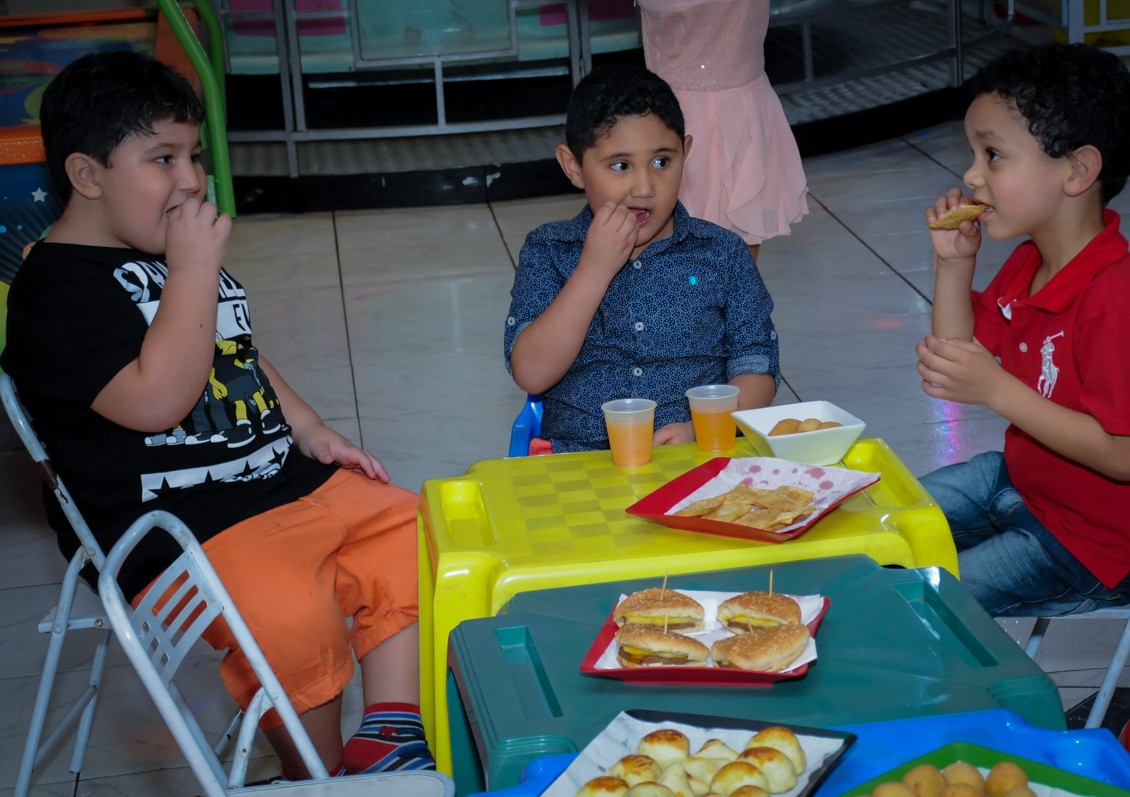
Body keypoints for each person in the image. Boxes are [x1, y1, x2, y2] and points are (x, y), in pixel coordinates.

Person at [1, 52, 432, 779]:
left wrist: (309, 425)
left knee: (418, 532)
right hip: (187, 528)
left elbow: (240, 354)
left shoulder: (166, 250)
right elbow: (156, 400)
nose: (193, 180)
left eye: (194, 155)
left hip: (281, 482)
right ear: (87, 174)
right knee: (294, 620)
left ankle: (390, 735)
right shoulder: (56, 291)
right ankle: (317, 779)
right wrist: (195, 269)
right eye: (162, 158)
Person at [916, 43, 1130, 617]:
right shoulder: (1030, 262)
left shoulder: (1115, 300)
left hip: (1095, 543)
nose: (970, 175)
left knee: (926, 605)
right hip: (1026, 483)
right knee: (886, 518)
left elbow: (1124, 456)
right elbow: (954, 352)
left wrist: (996, 390)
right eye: (973, 153)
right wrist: (954, 263)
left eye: (992, 155)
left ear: (1077, 171)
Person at [505, 64, 780, 453]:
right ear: (574, 167)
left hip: (693, 453)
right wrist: (594, 269)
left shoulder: (722, 253)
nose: (645, 186)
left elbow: (757, 368)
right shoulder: (550, 251)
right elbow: (532, 373)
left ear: (686, 153)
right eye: (621, 166)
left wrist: (701, 427)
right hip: (577, 459)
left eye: (662, 162)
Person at [637, 0, 808, 261]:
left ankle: (726, 298)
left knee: (740, 229)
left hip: (737, 101)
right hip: (681, 110)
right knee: (680, 239)